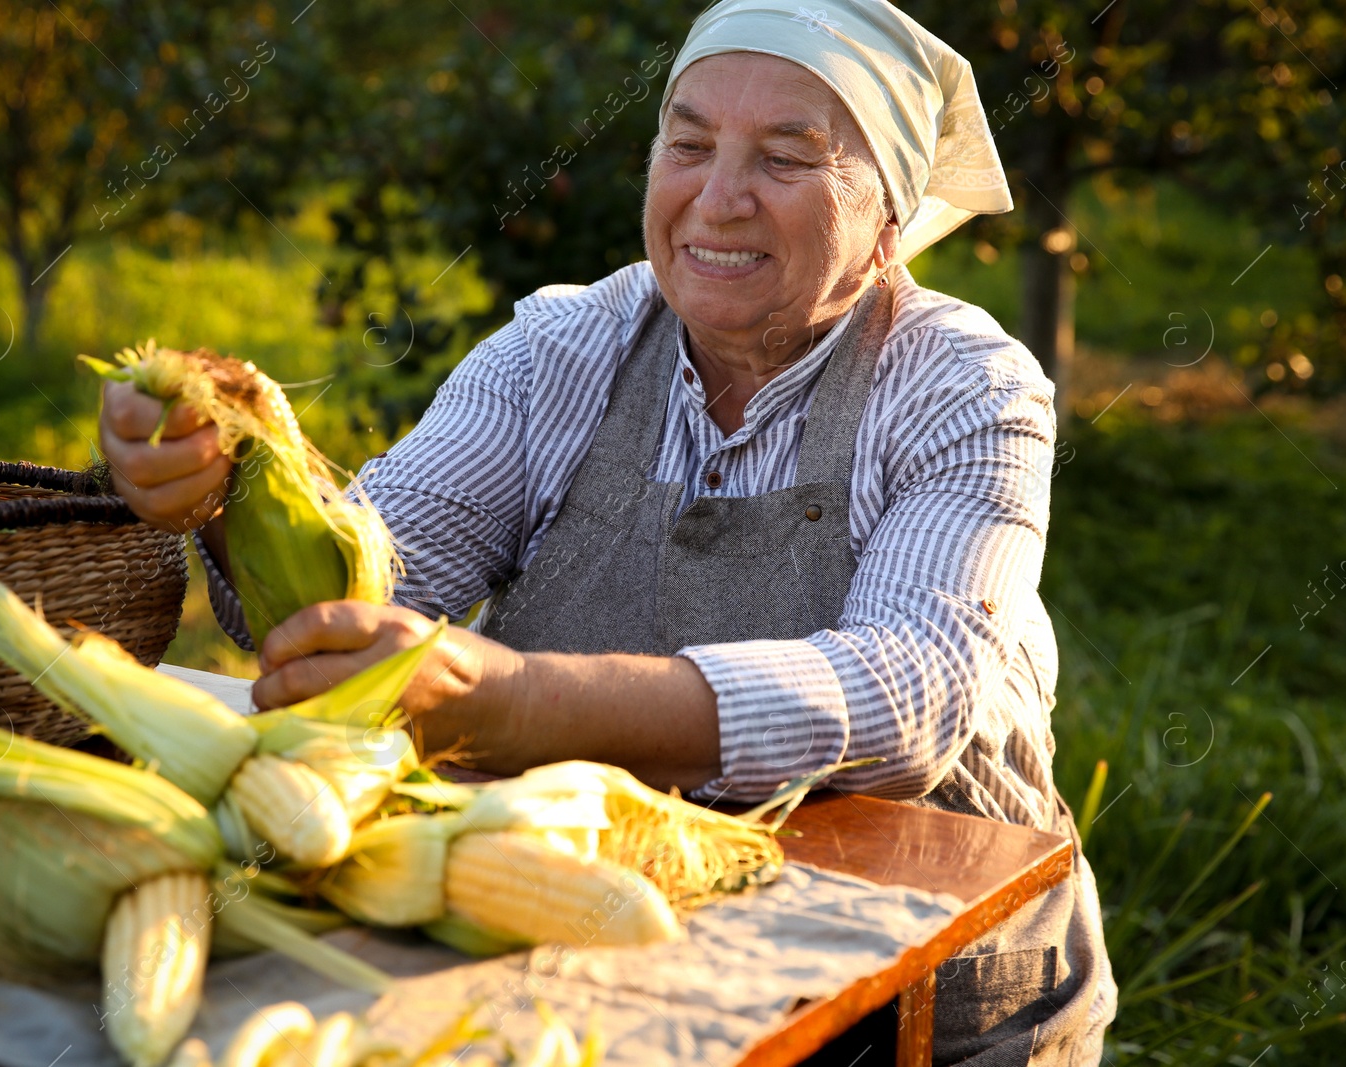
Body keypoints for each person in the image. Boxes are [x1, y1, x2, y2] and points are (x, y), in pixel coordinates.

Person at [98, 0, 1116, 1061]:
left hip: (924, 973)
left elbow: (909, 693)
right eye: (687, 144)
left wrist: (516, 701)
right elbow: (369, 595)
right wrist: (225, 488)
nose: (717, 202)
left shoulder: (964, 385)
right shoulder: (559, 347)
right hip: (613, 939)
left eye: (784, 158)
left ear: (890, 219)